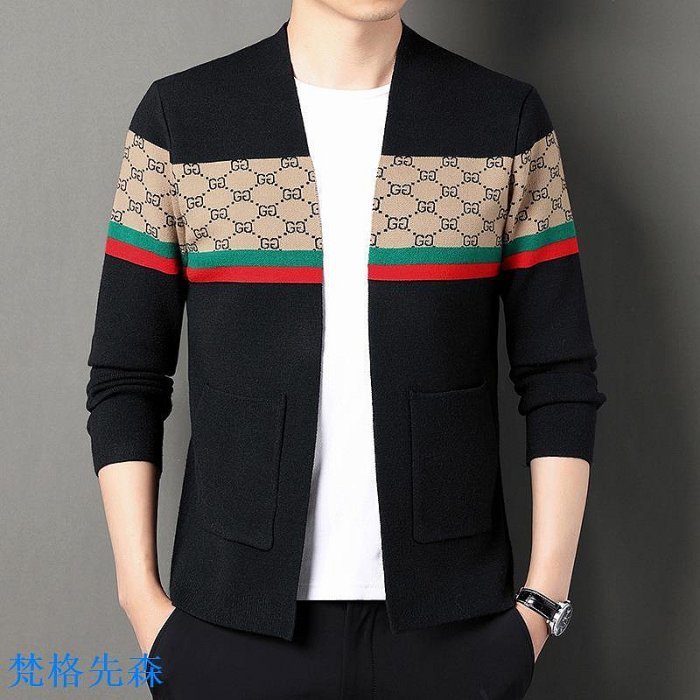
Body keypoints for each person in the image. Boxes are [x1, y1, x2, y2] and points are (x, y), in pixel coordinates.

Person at [85, 1, 606, 697]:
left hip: (455, 633)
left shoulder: (503, 121)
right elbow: (126, 377)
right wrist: (142, 602)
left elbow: (559, 376)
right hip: (230, 629)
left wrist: (541, 605)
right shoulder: (182, 122)